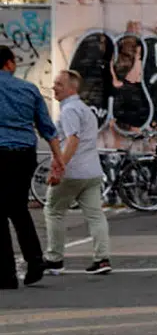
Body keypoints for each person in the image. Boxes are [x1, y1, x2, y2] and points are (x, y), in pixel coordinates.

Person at [0, 46, 67, 288]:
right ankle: (35, 260)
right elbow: (47, 129)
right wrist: (58, 159)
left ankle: (6, 274)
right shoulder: (29, 89)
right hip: (23, 154)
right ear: (8, 63)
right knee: (18, 208)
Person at [42, 69, 111, 276]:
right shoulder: (85, 109)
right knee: (96, 216)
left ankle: (55, 259)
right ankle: (102, 259)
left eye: (59, 84)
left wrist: (59, 166)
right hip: (91, 171)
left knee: (53, 211)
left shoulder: (69, 110)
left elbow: (73, 139)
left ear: (72, 88)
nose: (54, 87)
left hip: (72, 172)